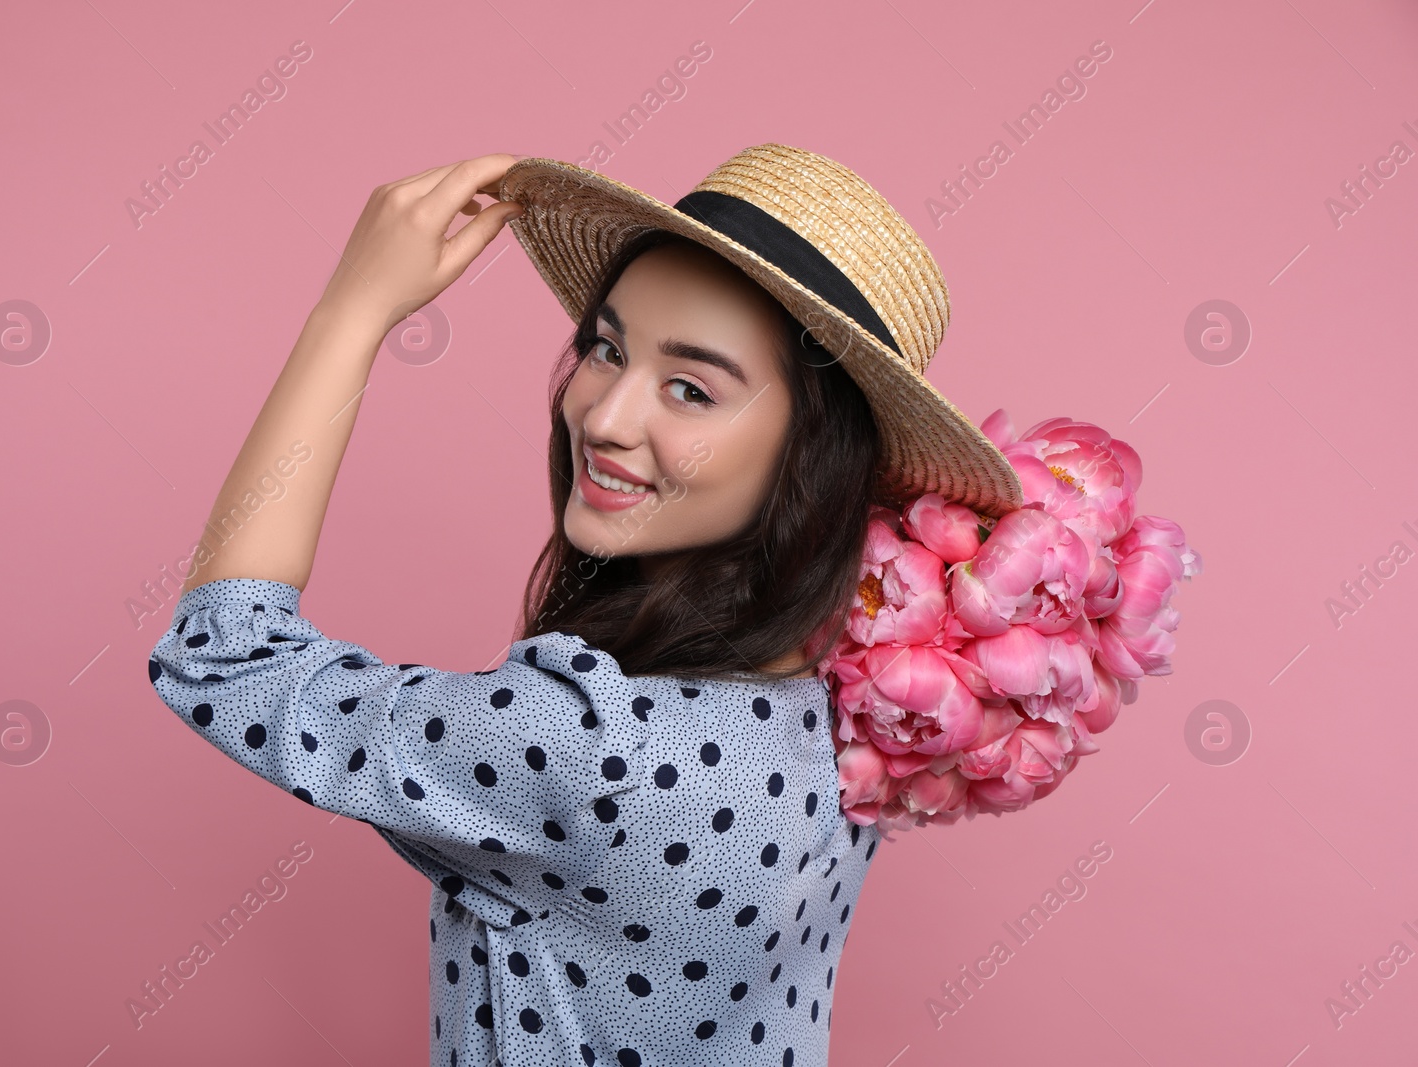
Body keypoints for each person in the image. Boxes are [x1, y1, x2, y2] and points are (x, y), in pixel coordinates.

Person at [147, 145, 1024, 1067]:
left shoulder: (593, 744)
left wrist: (351, 314)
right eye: (607, 349)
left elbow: (223, 653)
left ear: (814, 458)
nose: (602, 416)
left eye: (691, 389)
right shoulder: (853, 710)